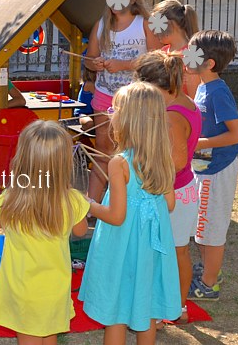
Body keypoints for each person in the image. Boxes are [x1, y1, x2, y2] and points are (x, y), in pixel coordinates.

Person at [79, 81, 181, 344]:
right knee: (145, 307)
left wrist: (88, 204)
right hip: (149, 247)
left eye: (115, 110)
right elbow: (169, 204)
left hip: (122, 246)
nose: (111, 115)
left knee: (117, 311)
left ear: (128, 120)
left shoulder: (119, 162)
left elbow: (116, 216)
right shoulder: (163, 157)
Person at [0, 120, 89, 343]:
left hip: (23, 293)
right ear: (63, 162)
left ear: (23, 159)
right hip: (55, 292)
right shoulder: (72, 200)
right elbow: (81, 231)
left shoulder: (12, 198)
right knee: (49, 337)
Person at [134, 50, 201, 324]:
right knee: (176, 251)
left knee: (175, 252)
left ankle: (176, 306)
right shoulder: (185, 102)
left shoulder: (171, 116)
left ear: (159, 89)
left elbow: (176, 160)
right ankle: (176, 303)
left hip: (175, 193)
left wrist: (146, 167)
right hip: (183, 188)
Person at [85, 0, 158, 203]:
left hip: (136, 100)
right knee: (103, 150)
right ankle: (93, 206)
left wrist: (123, 65)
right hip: (105, 96)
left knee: (132, 150)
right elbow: (88, 59)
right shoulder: (101, 25)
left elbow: (156, 59)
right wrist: (94, 63)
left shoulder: (144, 23)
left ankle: (127, 202)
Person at [187, 30, 238, 301]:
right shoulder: (202, 85)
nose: (185, 55)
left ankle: (209, 284)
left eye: (192, 52)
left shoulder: (218, 92)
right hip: (203, 167)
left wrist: (199, 142)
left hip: (216, 170)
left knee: (210, 227)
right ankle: (209, 269)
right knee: (202, 224)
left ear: (209, 63)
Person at [151, 0, 200, 98]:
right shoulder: (163, 51)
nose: (154, 32)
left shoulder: (192, 55)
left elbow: (195, 98)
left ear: (171, 24)